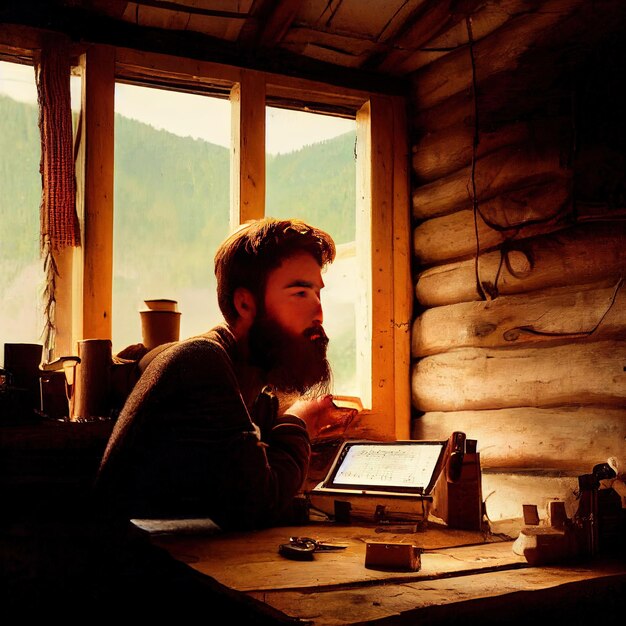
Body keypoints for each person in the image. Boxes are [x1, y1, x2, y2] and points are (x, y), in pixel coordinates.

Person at [95, 217, 345, 532]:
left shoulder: (248, 387)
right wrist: (298, 422)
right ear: (245, 304)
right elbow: (255, 503)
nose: (318, 314)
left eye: (317, 295)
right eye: (299, 294)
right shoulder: (202, 363)